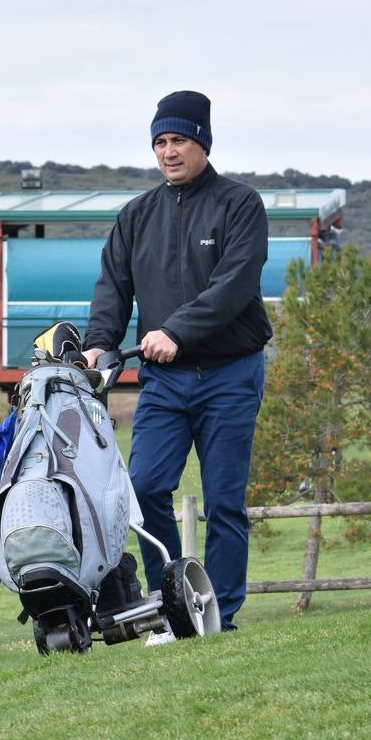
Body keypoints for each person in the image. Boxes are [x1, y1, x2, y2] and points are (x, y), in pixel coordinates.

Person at [81, 90, 270, 631]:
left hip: (231, 374)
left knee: (225, 502)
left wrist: (176, 332)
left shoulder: (239, 204)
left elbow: (234, 287)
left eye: (180, 140)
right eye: (160, 142)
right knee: (142, 490)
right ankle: (175, 604)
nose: (169, 151)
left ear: (203, 143)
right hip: (163, 381)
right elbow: (112, 291)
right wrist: (99, 343)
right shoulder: (136, 215)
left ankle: (221, 615)